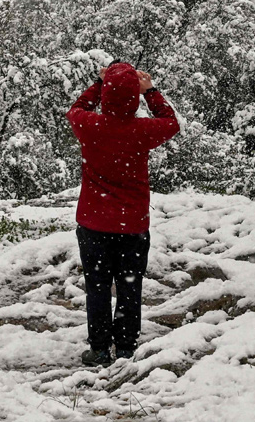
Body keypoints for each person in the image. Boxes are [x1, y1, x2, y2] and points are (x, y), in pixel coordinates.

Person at [67, 61, 179, 365]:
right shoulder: (141, 131)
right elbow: (171, 121)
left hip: (93, 223)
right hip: (131, 225)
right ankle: (127, 346)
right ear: (134, 98)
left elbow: (76, 108)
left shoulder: (89, 126)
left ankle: (100, 348)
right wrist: (150, 91)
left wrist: (98, 84)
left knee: (97, 286)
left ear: (106, 96)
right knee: (130, 284)